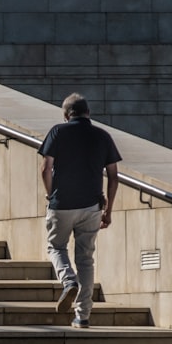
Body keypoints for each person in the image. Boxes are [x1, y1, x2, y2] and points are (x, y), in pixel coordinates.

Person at [38, 93, 122, 329]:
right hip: (91, 206)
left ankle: (68, 281)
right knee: (85, 259)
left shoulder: (58, 131)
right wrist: (109, 211)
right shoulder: (102, 136)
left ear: (66, 115)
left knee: (56, 247)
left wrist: (50, 193)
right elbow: (114, 177)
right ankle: (82, 316)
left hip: (62, 204)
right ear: (88, 113)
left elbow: (45, 168)